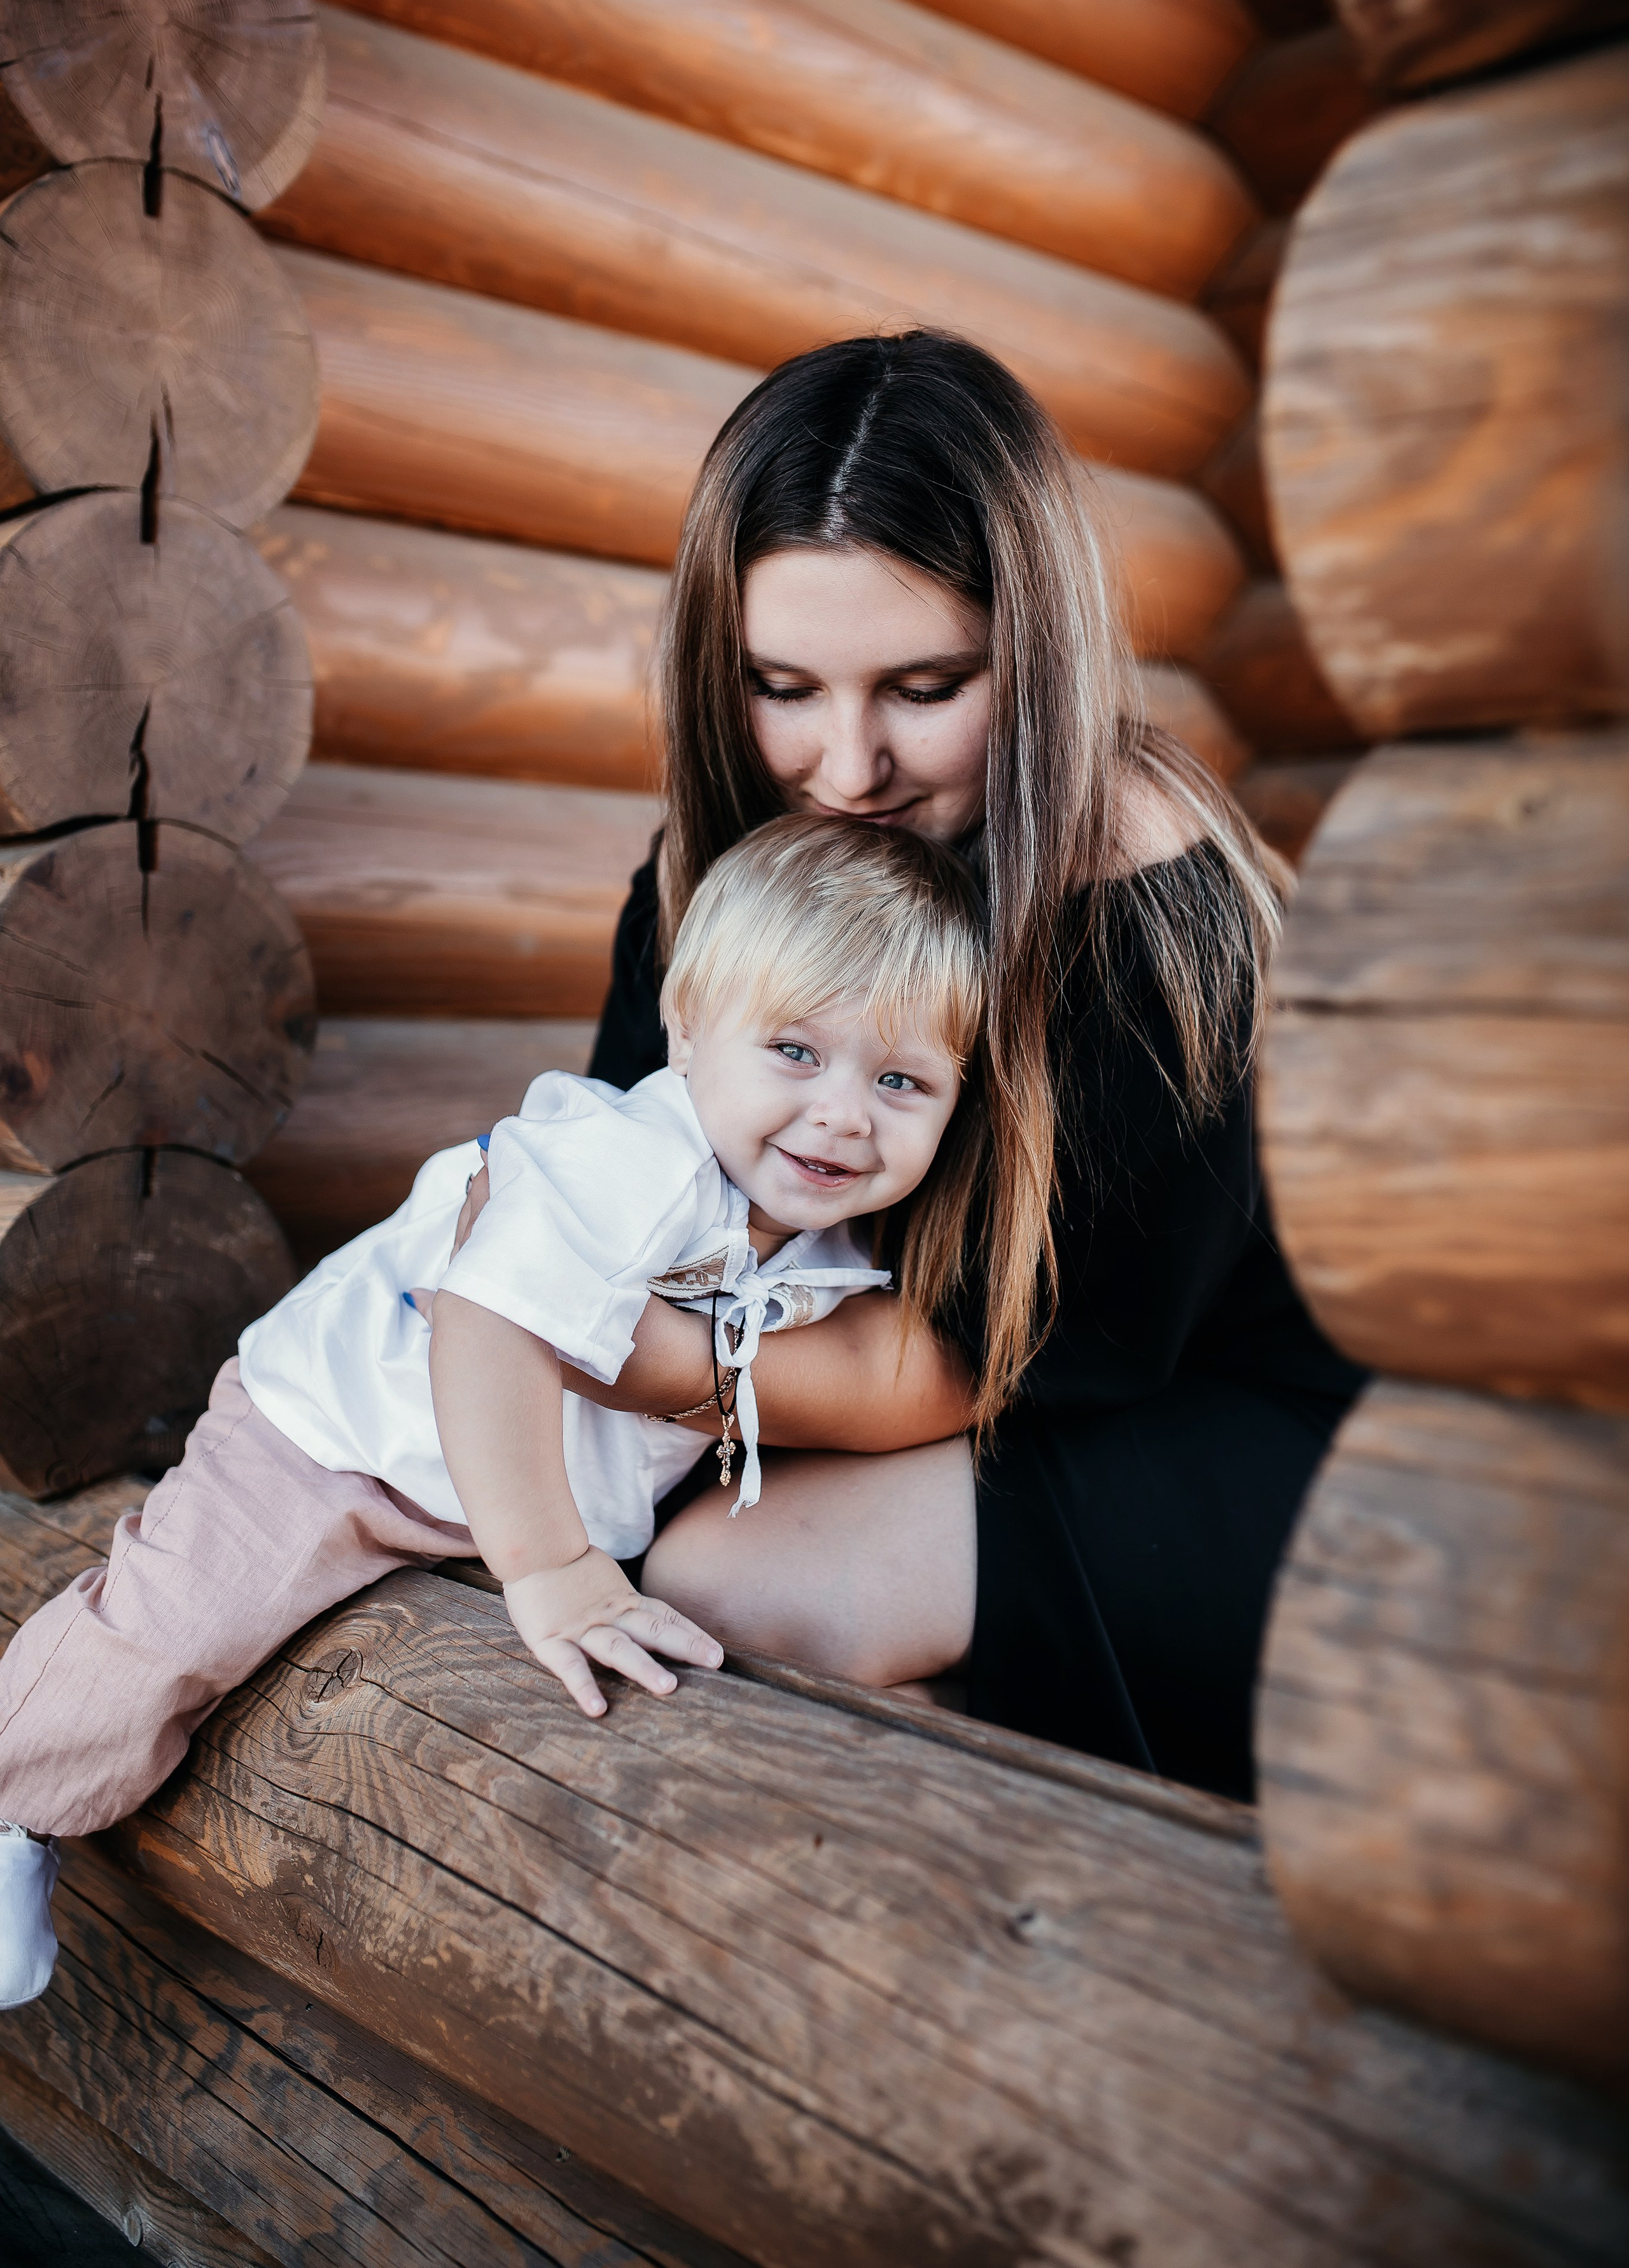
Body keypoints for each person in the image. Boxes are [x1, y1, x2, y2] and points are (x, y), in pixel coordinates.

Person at [554, 330, 1369, 1805]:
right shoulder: (711, 874)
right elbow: (606, 1191)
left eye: (923, 687)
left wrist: (609, 1356)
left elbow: (969, 1365)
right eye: (780, 685)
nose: (847, 765)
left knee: (728, 1584)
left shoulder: (1143, 907)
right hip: (869, 1387)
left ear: (1036, 653)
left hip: (1215, 1426)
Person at [0, 813, 988, 2008]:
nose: (843, 1114)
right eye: (794, 1050)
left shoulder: (833, 1249)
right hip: (341, 1442)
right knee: (174, 1625)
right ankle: (15, 1810)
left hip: (494, 1505)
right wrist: (556, 1566)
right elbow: (489, 1324)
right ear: (686, 1028)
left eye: (900, 1081)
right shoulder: (630, 1159)